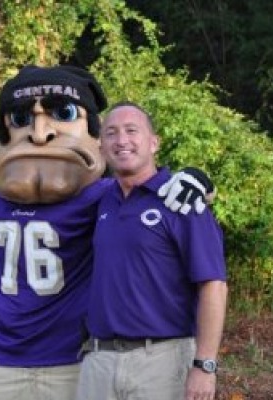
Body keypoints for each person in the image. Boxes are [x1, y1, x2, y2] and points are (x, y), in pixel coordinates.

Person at [0, 66, 214, 400]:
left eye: (63, 114)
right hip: (4, 364)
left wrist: (196, 180)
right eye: (21, 120)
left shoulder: (98, 198)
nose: (39, 134)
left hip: (74, 361)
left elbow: (147, 192)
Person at [76, 101, 228, 400]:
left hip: (161, 361)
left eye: (132, 131)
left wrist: (205, 365)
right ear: (101, 146)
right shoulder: (100, 200)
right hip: (99, 360)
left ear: (154, 142)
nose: (122, 140)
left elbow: (214, 286)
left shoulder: (182, 200)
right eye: (111, 133)